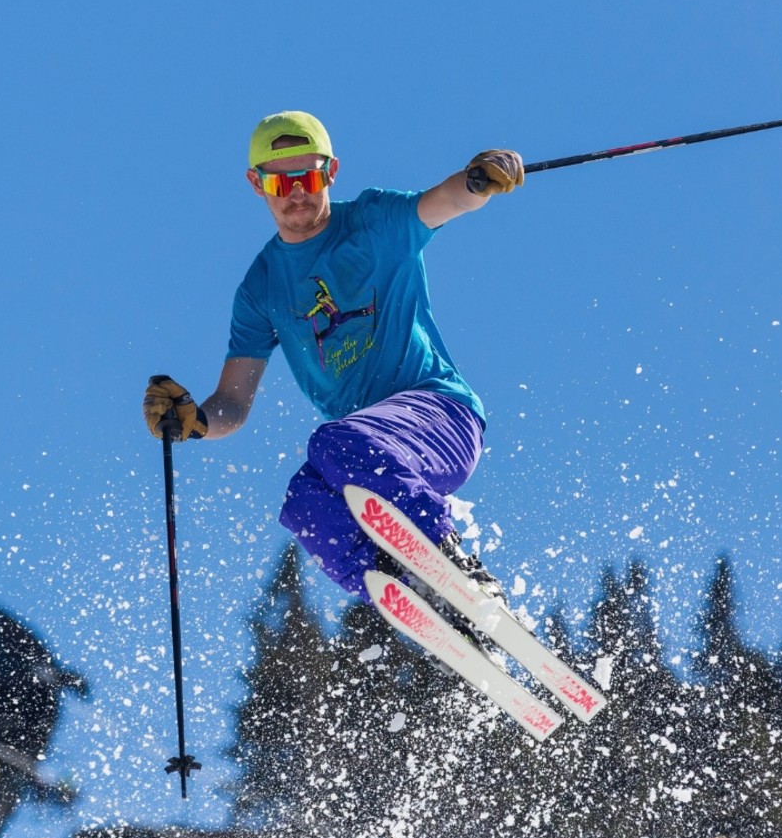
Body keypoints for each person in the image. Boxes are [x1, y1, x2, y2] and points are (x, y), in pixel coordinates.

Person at [143, 110, 524, 608]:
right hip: (369, 460)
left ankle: (448, 564)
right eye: (280, 181)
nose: (296, 192)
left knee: (334, 443)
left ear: (332, 172)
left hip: (439, 418)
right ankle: (408, 594)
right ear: (256, 184)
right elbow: (233, 402)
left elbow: (445, 201)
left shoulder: (373, 223)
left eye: (308, 176)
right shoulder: (261, 287)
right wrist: (193, 422)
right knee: (307, 504)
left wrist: (481, 178)